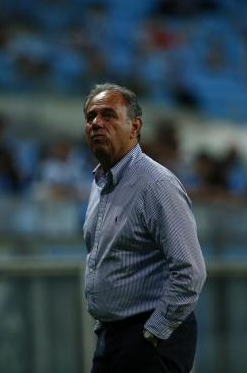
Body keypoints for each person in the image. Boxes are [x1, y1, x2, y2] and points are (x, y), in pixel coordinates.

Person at [82, 83, 206, 373]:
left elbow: (191, 270)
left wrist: (154, 332)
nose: (97, 123)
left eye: (108, 115)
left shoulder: (156, 184)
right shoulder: (101, 183)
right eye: (91, 117)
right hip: (111, 336)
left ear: (135, 126)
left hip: (149, 337)